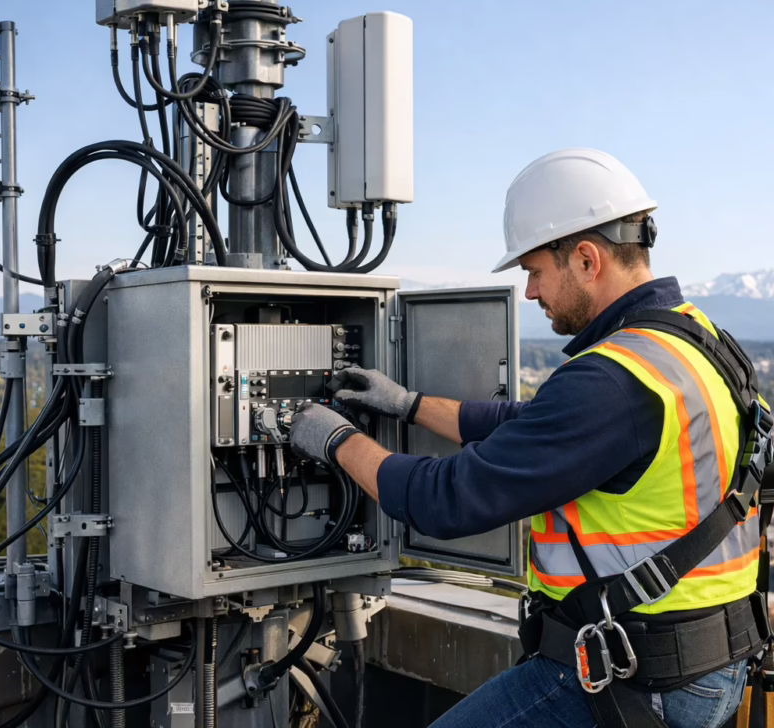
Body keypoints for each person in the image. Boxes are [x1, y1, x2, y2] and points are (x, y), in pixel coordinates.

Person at [290, 148, 772, 728]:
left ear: (587, 259)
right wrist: (409, 405)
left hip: (637, 675)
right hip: (712, 661)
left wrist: (336, 439)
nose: (529, 292)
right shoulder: (700, 343)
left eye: (535, 271)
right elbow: (536, 422)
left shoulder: (611, 380)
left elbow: (444, 500)